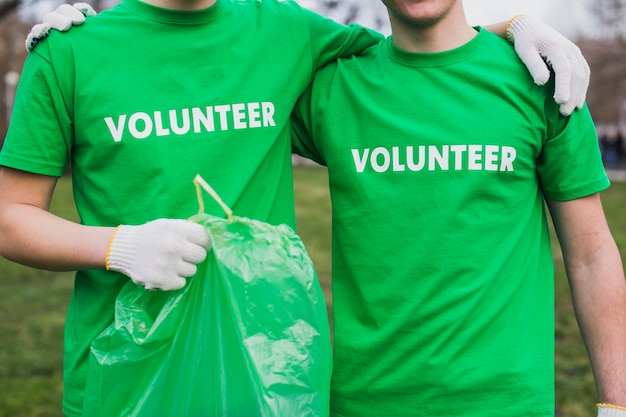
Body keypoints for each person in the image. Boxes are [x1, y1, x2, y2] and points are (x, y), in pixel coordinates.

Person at [0, 0, 594, 416]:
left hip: (266, 376)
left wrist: (512, 24)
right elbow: (11, 216)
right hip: (126, 376)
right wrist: (115, 246)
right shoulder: (70, 52)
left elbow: (419, 50)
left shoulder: (284, 29)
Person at [290, 1, 626, 417]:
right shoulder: (335, 88)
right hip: (368, 403)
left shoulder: (540, 78)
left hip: (506, 405)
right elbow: (224, 101)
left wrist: (617, 404)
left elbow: (591, 253)